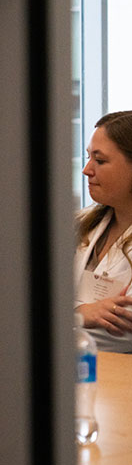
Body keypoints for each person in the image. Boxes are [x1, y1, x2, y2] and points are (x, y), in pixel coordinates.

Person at [75, 111, 132, 353]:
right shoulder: (80, 224)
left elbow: (122, 329)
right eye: (88, 158)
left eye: (99, 161)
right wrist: (81, 314)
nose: (87, 170)